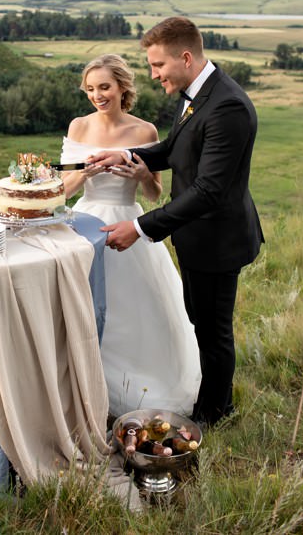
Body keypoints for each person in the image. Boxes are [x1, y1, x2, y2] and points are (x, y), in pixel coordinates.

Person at [88, 17, 263, 428]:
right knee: (201, 321)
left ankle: (213, 416)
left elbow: (209, 191)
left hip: (217, 240)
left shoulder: (228, 106)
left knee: (214, 332)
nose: (153, 75)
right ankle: (213, 402)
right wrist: (127, 156)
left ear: (185, 57)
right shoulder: (196, 93)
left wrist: (140, 228)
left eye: (158, 65)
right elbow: (174, 149)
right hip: (195, 236)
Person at [59, 54, 201, 416]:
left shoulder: (144, 132)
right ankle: (84, 388)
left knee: (134, 312)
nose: (97, 95)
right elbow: (62, 191)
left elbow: (154, 194)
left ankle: (133, 388)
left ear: (122, 87)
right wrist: (85, 174)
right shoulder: (78, 127)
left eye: (104, 87)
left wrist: (142, 176)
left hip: (127, 223)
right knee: (84, 305)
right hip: (85, 222)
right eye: (90, 89)